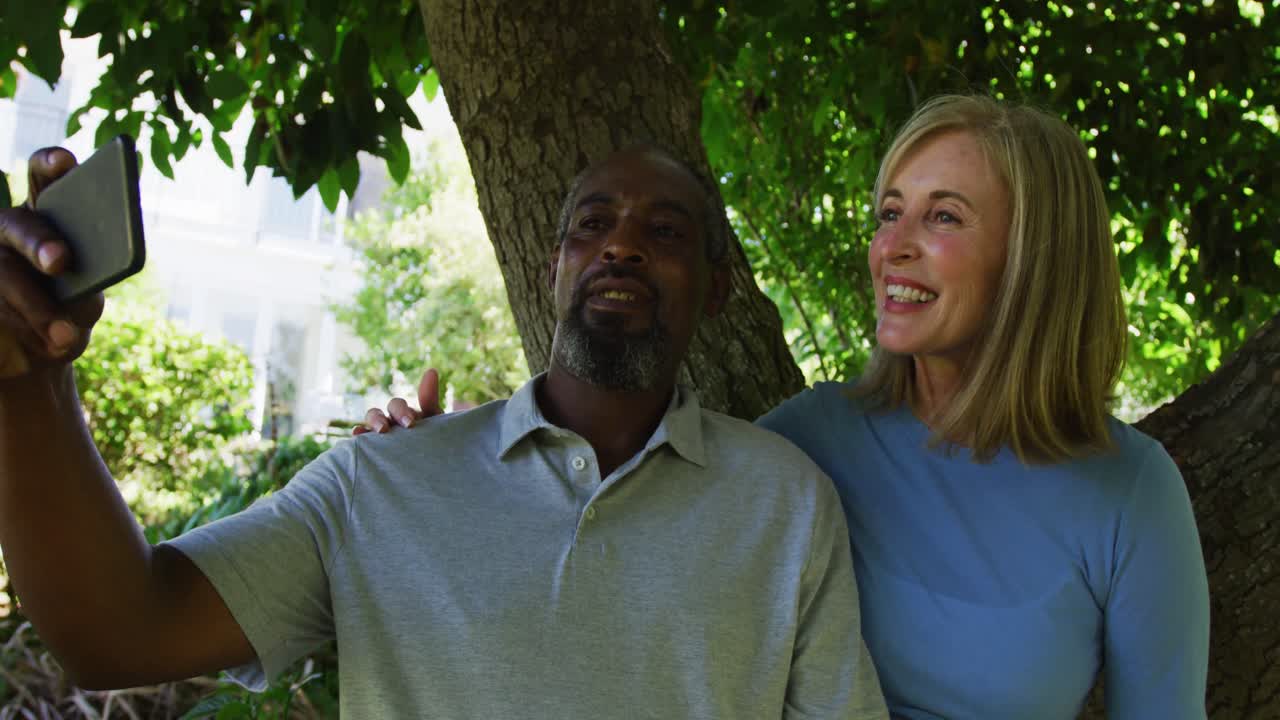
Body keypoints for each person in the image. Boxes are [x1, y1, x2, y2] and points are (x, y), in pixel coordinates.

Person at [362, 95, 1210, 719]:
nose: (892, 246)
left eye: (942, 216)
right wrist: (443, 472)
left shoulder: (1129, 491)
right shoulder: (807, 443)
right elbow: (607, 522)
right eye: (889, 212)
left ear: (1034, 259)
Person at [0, 145, 888, 717]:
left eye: (664, 230)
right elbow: (115, 635)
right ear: (554, 269)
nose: (621, 245)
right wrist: (31, 381)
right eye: (592, 224)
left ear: (716, 289)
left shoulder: (787, 501)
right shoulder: (380, 482)